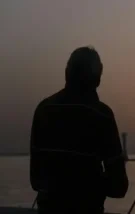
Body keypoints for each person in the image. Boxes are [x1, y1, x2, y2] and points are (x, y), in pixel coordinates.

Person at [30, 46, 129, 214]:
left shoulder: (44, 109)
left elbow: (36, 180)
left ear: (66, 73)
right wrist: (89, 182)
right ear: (97, 80)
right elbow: (119, 187)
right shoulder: (102, 115)